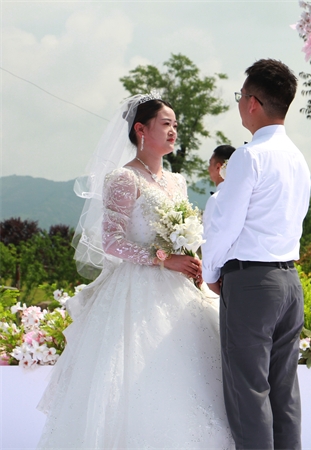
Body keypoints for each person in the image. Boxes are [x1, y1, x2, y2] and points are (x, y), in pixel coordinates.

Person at [37, 94, 234, 448]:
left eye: (175, 124)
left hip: (180, 287)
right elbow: (111, 241)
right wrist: (163, 259)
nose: (174, 131)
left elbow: (184, 233)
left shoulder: (178, 181)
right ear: (141, 129)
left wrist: (190, 260)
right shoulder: (123, 178)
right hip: (135, 291)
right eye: (166, 123)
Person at [201, 59, 311, 449]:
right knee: (284, 390)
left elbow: (225, 224)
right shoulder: (298, 158)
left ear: (252, 102)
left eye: (240, 96)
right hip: (289, 280)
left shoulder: (250, 156)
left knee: (248, 392)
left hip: (252, 282)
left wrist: (210, 272)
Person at [203, 144, 236, 237]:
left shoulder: (216, 199)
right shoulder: (242, 196)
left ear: (218, 167)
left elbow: (209, 236)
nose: (208, 168)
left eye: (210, 163)